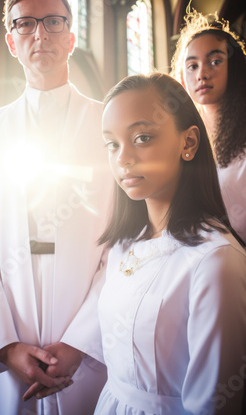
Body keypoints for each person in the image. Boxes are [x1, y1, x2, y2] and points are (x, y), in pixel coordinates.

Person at [0, 0, 113, 415]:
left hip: (85, 347)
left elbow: (123, 243)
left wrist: (80, 342)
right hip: (8, 335)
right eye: (25, 24)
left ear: (71, 38)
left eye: (52, 22)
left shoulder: (107, 125)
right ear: (11, 41)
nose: (39, 33)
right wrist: (5, 346)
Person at [94, 73, 246, 415]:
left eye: (142, 137)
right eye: (112, 144)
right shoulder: (122, 246)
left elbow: (213, 406)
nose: (123, 158)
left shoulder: (215, 261)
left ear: (188, 143)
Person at [171, 8, 246, 244]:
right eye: (192, 66)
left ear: (234, 68)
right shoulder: (180, 140)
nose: (202, 73)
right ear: (183, 77)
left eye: (215, 61)